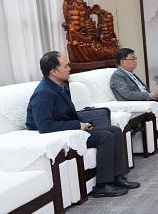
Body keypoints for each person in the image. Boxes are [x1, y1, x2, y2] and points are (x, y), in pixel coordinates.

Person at [26, 51, 139, 197]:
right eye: (66, 66)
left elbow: (68, 112)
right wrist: (78, 125)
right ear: (53, 71)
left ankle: (117, 177)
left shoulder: (61, 85)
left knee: (115, 131)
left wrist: (83, 122)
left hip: (69, 127)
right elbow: (44, 126)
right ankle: (102, 185)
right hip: (61, 132)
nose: (69, 69)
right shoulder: (43, 93)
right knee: (105, 137)